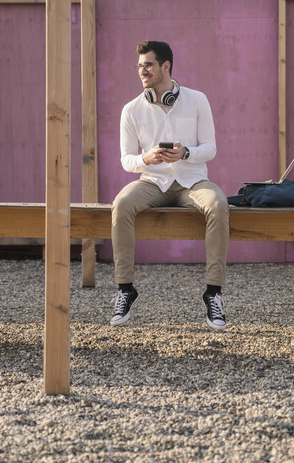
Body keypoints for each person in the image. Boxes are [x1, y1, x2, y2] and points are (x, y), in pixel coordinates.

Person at [111, 40, 229, 331]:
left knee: (218, 204)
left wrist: (185, 152)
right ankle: (125, 289)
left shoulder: (198, 100)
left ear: (166, 66)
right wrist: (146, 158)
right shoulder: (131, 110)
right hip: (153, 181)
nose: (142, 71)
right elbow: (127, 160)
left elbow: (211, 148)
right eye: (139, 65)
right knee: (122, 204)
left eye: (148, 65)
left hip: (192, 182)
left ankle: (213, 294)